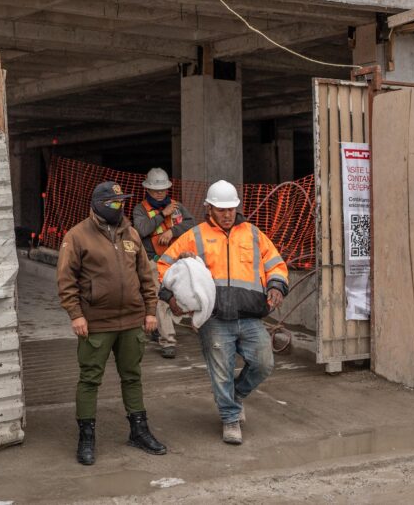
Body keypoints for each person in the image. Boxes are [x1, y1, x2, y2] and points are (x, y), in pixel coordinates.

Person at [156, 180, 288, 445]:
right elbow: (164, 265)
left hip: (250, 316)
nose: (227, 215)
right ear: (209, 208)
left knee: (264, 363)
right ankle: (230, 419)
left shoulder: (252, 234)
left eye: (231, 209)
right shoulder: (195, 236)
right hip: (214, 318)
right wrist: (170, 296)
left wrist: (276, 286)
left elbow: (275, 263)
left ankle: (235, 398)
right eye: (220, 209)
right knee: (221, 372)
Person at [57, 181, 168, 465]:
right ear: (98, 204)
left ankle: (139, 430)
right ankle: (86, 437)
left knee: (132, 376)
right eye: (113, 203)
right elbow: (66, 279)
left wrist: (151, 310)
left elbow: (146, 275)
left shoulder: (130, 233)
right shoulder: (77, 236)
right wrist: (76, 314)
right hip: (96, 323)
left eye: (121, 203)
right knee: (90, 379)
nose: (119, 207)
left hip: (132, 321)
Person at [131, 167, 196, 358]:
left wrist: (172, 231)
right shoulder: (140, 209)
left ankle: (158, 328)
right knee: (160, 298)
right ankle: (168, 342)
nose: (160, 193)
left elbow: (191, 223)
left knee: (183, 295)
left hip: (176, 261)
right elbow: (142, 230)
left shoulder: (177, 206)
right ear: (148, 190)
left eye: (163, 189)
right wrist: (162, 215)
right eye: (155, 190)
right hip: (153, 262)